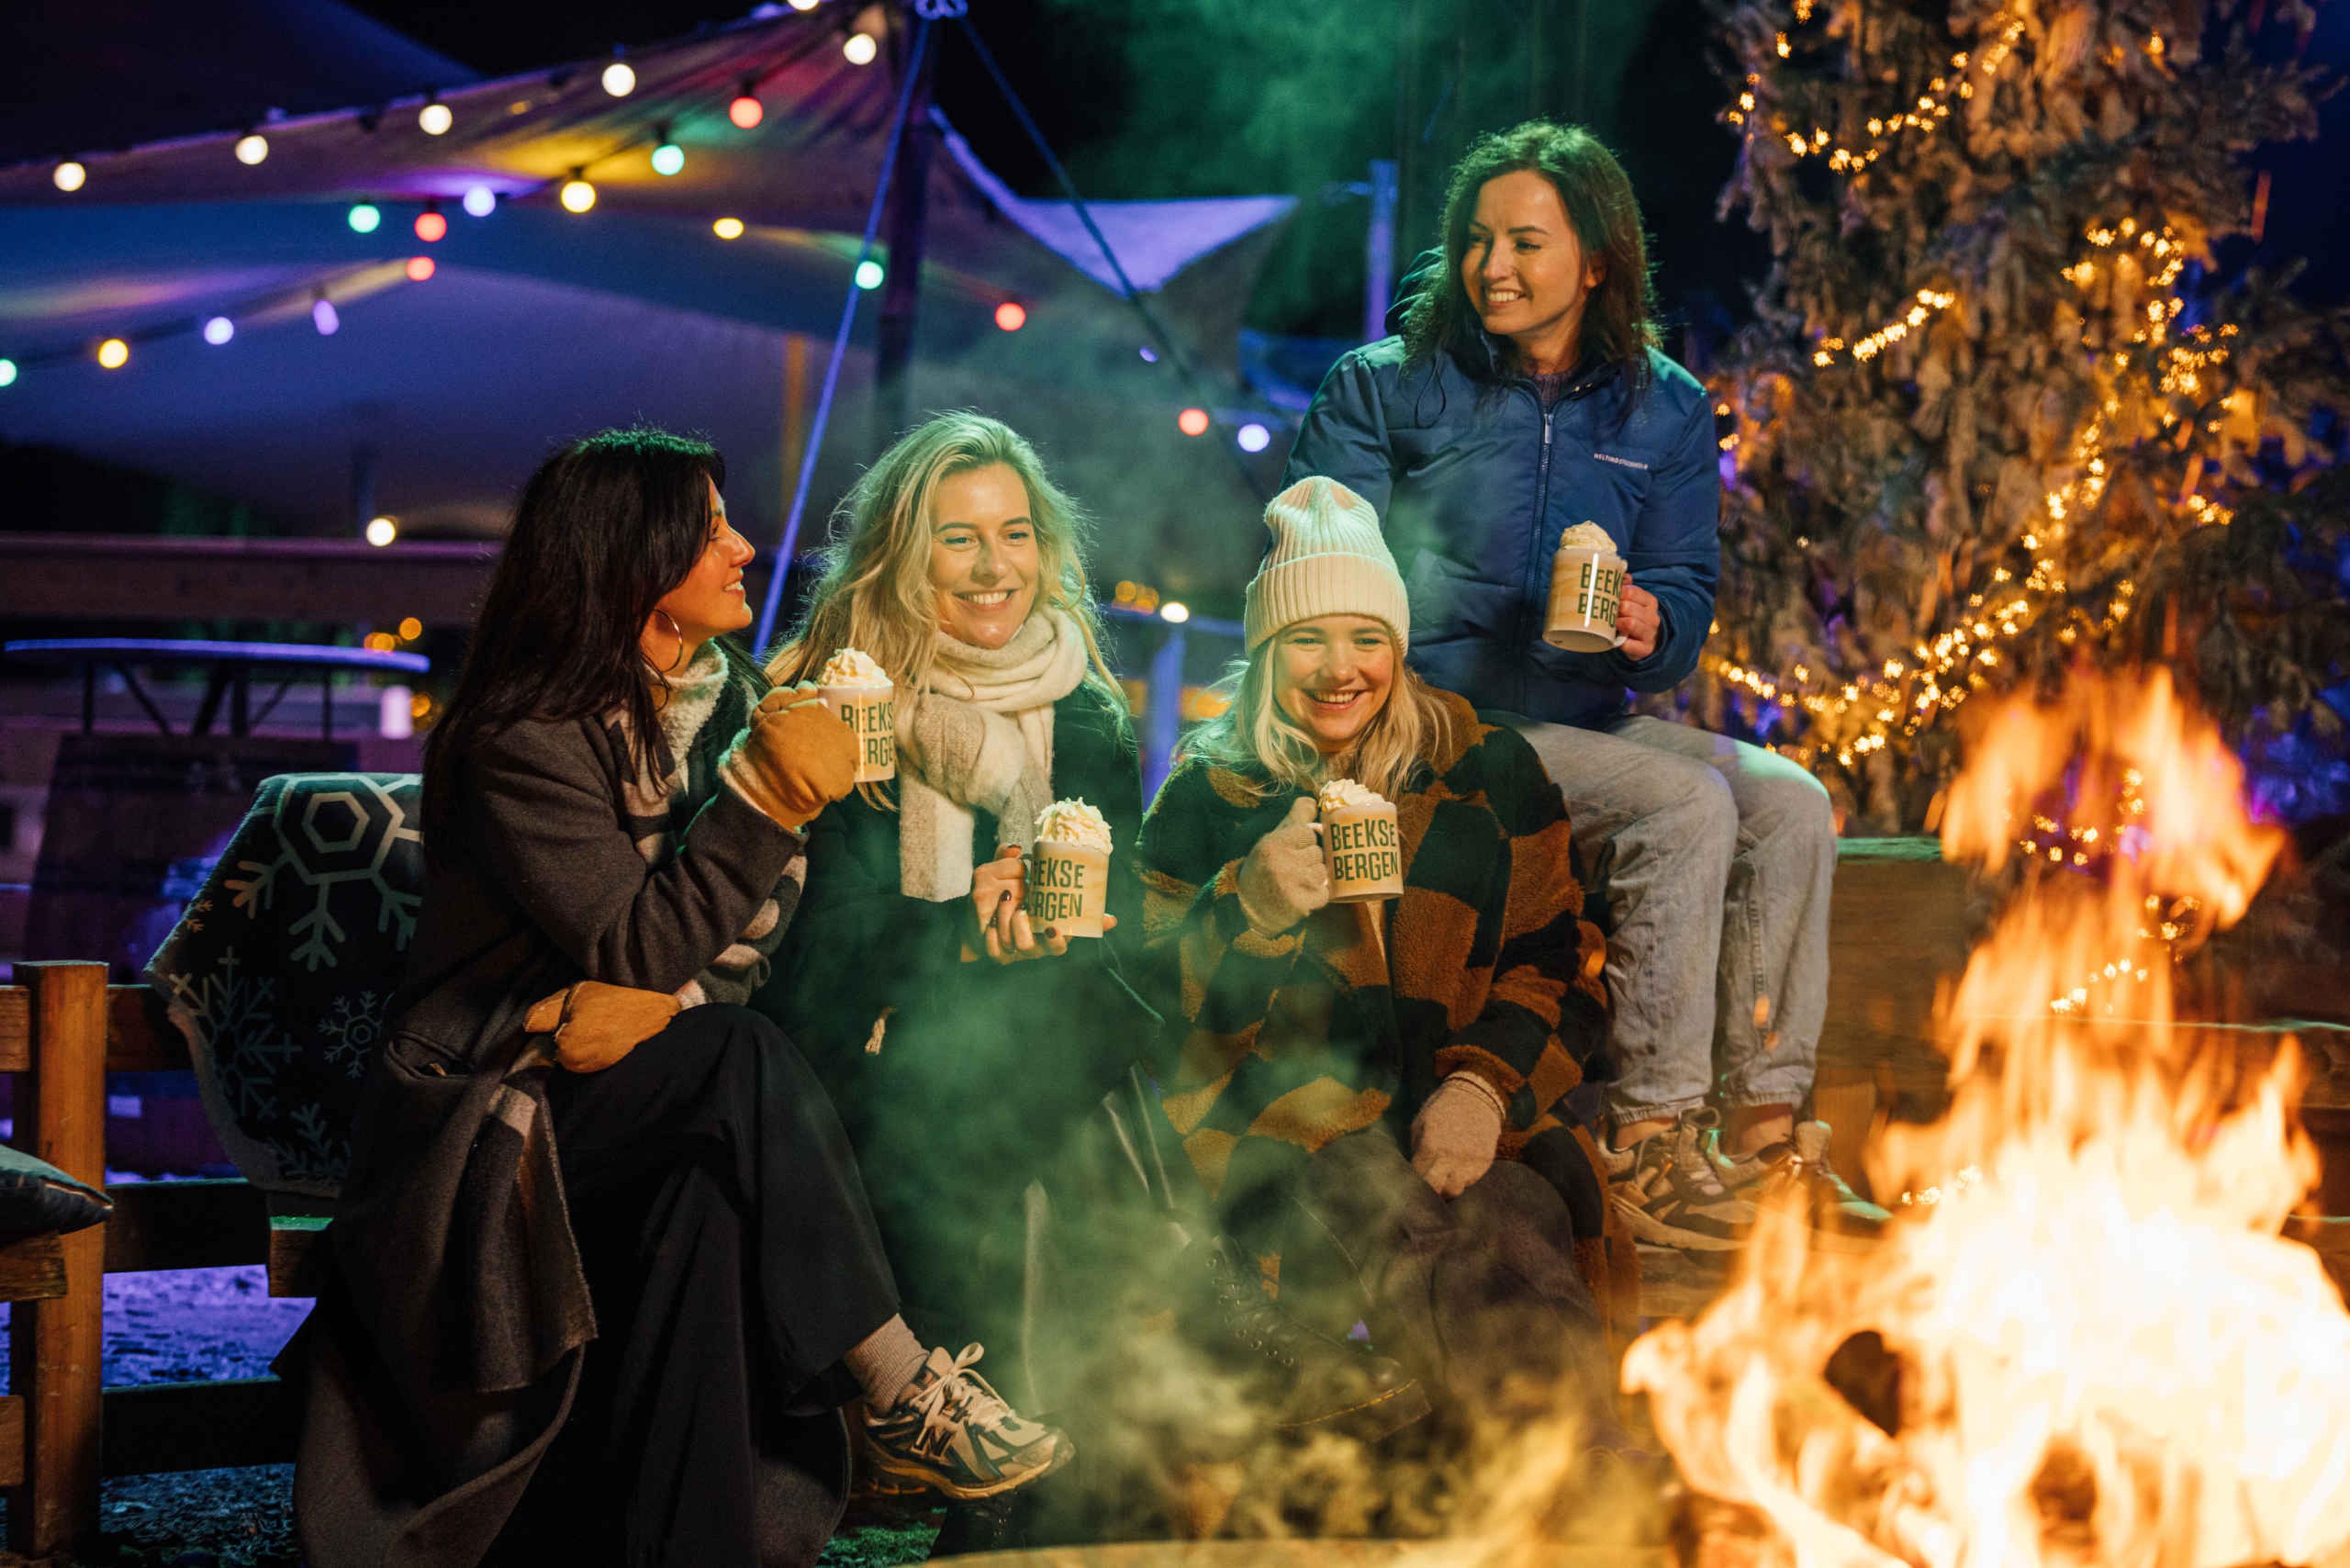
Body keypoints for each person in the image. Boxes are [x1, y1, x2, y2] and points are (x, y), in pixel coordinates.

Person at [288, 428, 1066, 1568]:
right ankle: (900, 1380)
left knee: (707, 1184)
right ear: (632, 559)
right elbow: (633, 942)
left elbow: (727, 961)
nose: (745, 546)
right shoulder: (524, 738)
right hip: (498, 1102)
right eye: (710, 530)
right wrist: (761, 800)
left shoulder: (738, 704)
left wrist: (677, 1002)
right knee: (735, 1064)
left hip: (654, 1086)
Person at [759, 416, 1420, 1544]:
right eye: (956, 539)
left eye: (1014, 533)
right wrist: (962, 932)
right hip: (859, 1075)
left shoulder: (1086, 717)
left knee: (1076, 1016)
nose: (993, 566)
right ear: (900, 557)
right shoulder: (838, 704)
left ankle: (1011, 1442)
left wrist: (1086, 935)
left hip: (1036, 1069)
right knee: (1051, 1046)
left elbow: (1123, 961)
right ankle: (1199, 1301)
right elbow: (810, 969)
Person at [1281, 119, 1885, 1251]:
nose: (1492, 266)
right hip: (1430, 722)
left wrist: (1654, 625)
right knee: (1682, 803)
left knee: (1792, 803)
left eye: (1526, 242)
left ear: (1597, 260)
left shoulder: (1661, 407)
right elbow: (1312, 561)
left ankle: (1763, 1138)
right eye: (1477, 240)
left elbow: (1684, 595)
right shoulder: (1390, 385)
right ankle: (1652, 1141)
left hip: (1580, 717)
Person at [1135, 474, 1639, 1433]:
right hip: (1281, 1136)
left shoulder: (1487, 769)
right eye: (1306, 640)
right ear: (1267, 649)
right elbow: (1154, 1013)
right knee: (1394, 1210)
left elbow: (1561, 966)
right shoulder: (1212, 791)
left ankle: (1574, 1493)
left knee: (1521, 1224)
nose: (1340, 669)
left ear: (1399, 649)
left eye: (1367, 638)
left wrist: (1484, 1088)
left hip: (1463, 1115)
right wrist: (1246, 910)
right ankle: (1546, 1494)